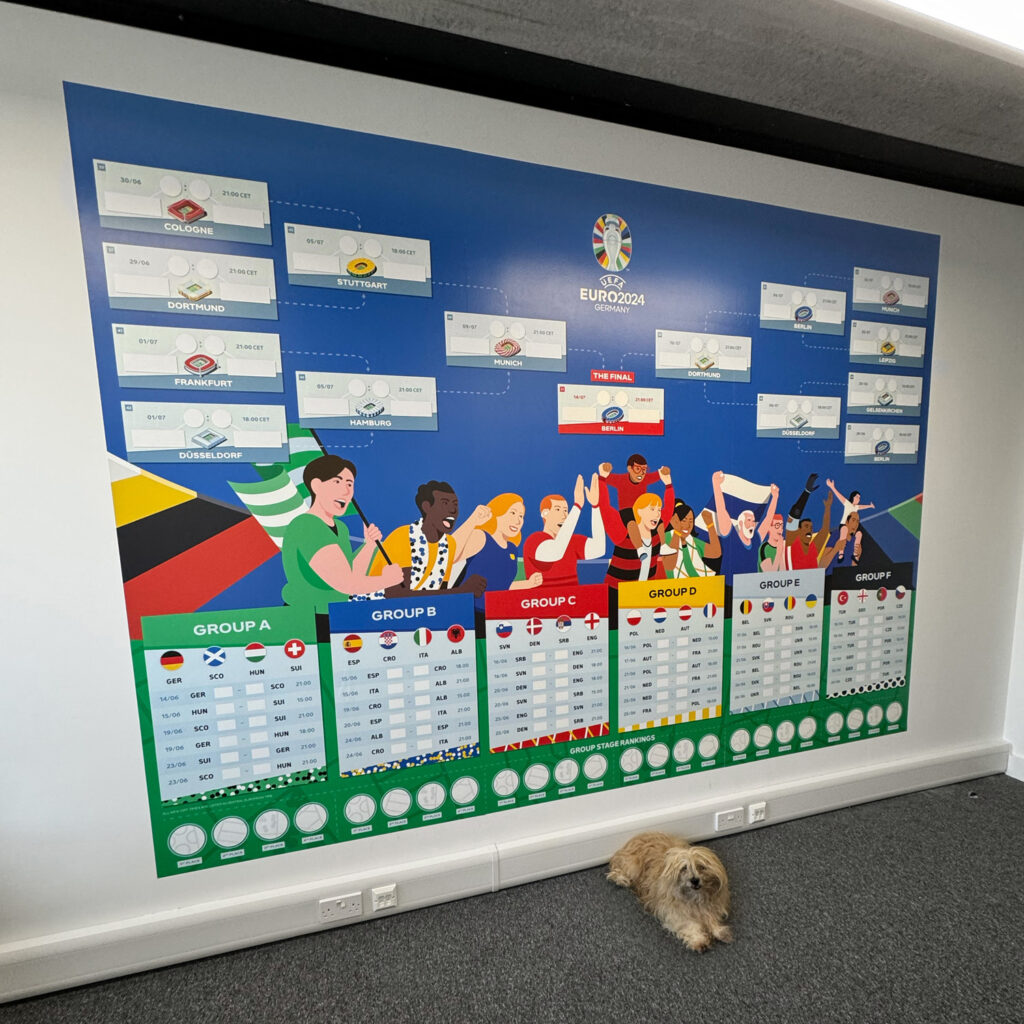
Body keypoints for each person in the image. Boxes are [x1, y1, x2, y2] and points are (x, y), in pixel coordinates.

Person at [280, 454, 403, 613]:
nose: (346, 491)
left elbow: (351, 573)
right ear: (316, 485)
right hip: (306, 617)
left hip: (332, 614)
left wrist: (369, 546)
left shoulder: (340, 527)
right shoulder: (306, 525)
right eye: (337, 482)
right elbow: (346, 583)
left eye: (350, 484)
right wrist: (387, 580)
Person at [368, 480, 488, 597]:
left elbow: (440, 595)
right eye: (445, 503)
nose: (452, 510)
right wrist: (462, 591)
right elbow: (397, 594)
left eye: (455, 504)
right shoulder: (404, 537)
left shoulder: (449, 543)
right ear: (427, 507)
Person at [458, 493, 543, 614]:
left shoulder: (512, 549)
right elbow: (450, 556)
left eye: (521, 516)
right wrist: (472, 521)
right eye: (512, 513)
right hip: (471, 611)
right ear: (497, 514)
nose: (518, 521)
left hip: (497, 613)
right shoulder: (480, 537)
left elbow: (501, 585)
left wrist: (528, 584)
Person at [523, 473, 606, 588]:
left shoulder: (572, 541)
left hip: (571, 602)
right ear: (545, 513)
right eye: (557, 510)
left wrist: (595, 506)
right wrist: (577, 506)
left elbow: (599, 549)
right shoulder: (534, 541)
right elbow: (556, 551)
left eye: (566, 510)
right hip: (542, 602)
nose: (564, 515)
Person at [598, 464, 674, 586]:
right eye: (652, 509)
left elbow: (669, 509)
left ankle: (663, 546)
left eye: (659, 510)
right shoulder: (622, 535)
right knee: (631, 523)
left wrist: (668, 484)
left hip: (644, 594)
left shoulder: (656, 536)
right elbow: (604, 507)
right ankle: (640, 549)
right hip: (617, 591)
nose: (657, 514)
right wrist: (602, 478)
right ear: (640, 511)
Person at [712, 471, 780, 576]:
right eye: (749, 520)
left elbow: (768, 519)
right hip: (730, 587)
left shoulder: (755, 540)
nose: (752, 524)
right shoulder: (731, 537)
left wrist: (775, 497)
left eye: (753, 521)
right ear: (740, 523)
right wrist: (716, 485)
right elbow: (721, 510)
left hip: (750, 587)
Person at [599, 454, 667, 527]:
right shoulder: (621, 480)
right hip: (625, 516)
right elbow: (604, 476)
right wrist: (604, 468)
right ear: (629, 469)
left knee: (659, 524)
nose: (641, 473)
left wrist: (664, 470)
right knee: (631, 522)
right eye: (637, 469)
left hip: (641, 515)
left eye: (644, 469)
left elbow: (660, 473)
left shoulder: (645, 479)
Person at [662, 500, 721, 578]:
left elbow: (715, 553)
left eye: (691, 521)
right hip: (669, 586)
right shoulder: (665, 537)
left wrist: (710, 525)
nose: (688, 525)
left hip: (696, 585)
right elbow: (669, 566)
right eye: (684, 520)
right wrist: (677, 532)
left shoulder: (691, 541)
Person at [785, 490, 842, 570]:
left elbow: (825, 530)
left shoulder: (812, 549)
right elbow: (794, 516)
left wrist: (828, 507)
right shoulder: (792, 544)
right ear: (798, 530)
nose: (810, 529)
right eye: (806, 526)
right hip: (795, 581)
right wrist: (806, 492)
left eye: (811, 528)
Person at [825, 480, 874, 562]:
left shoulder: (856, 507)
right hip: (844, 525)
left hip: (852, 527)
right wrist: (832, 487)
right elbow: (839, 496)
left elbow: (862, 507)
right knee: (844, 530)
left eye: (859, 497)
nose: (858, 499)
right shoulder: (848, 504)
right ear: (853, 497)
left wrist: (870, 506)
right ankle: (841, 553)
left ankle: (855, 555)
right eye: (857, 497)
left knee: (859, 534)